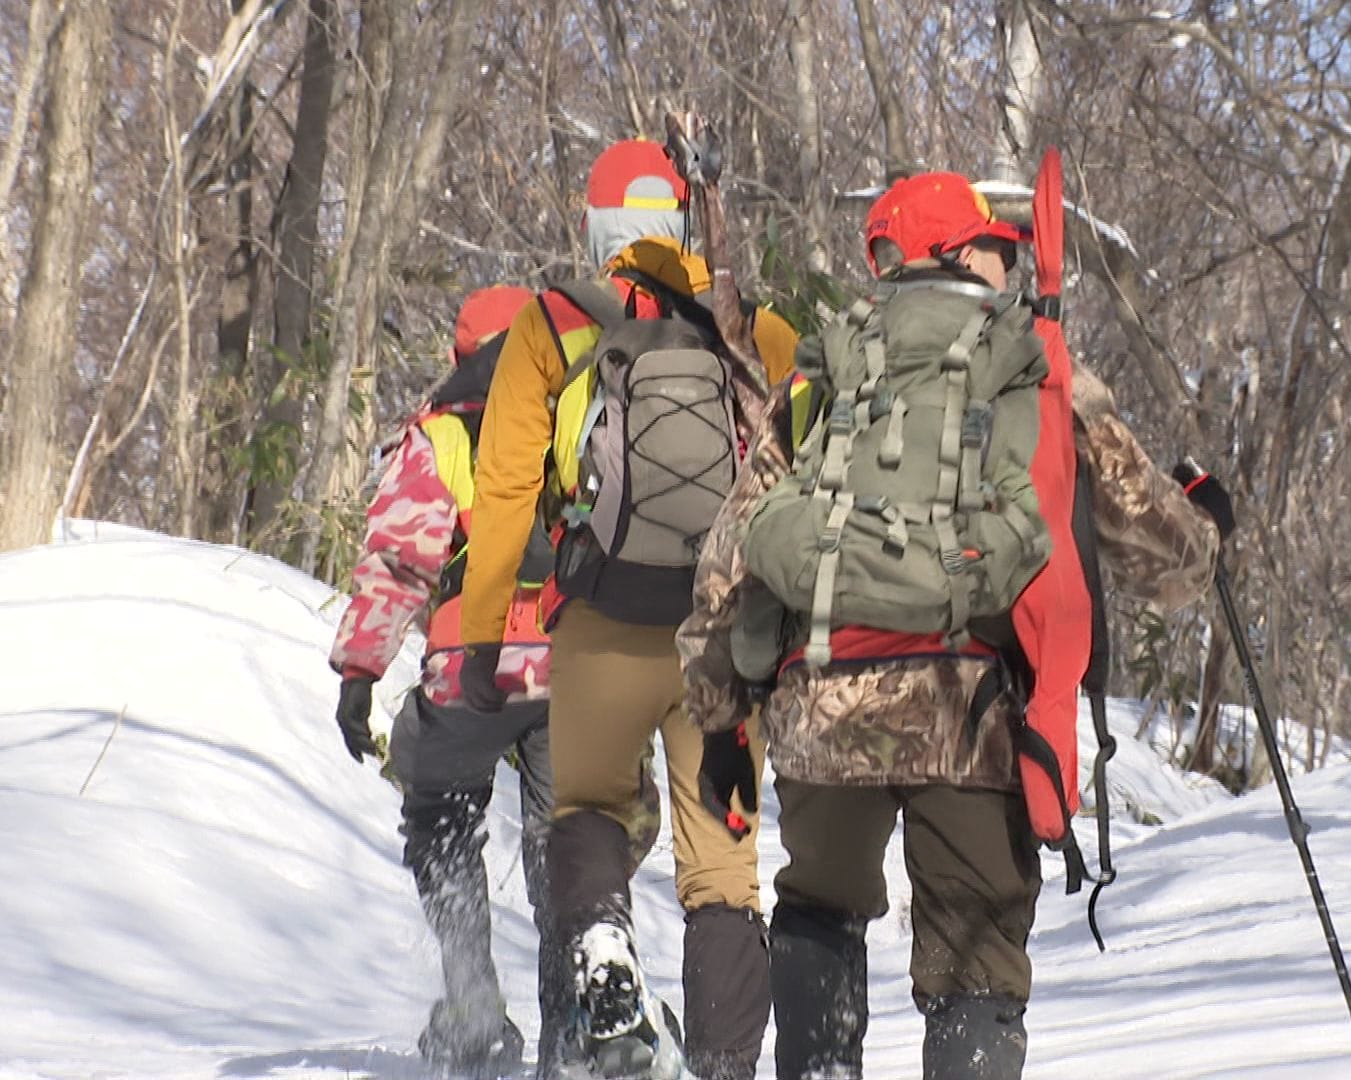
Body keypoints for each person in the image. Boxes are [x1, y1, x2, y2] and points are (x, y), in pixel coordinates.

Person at [678, 169, 1234, 1080]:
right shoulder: (1034, 360)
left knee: (819, 910)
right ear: (959, 252)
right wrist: (1210, 531)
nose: (1000, 259)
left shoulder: (828, 368)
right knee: (975, 961)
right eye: (987, 243)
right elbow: (1159, 555)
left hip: (823, 700)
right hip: (973, 709)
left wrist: (719, 723)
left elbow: (731, 559)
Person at [454, 139, 801, 1080]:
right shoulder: (753, 330)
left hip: (602, 613)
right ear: (685, 221)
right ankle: (727, 1064)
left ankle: (603, 940)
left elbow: (502, 498)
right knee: (723, 871)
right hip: (722, 635)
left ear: (594, 223)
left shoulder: (553, 324)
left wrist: (484, 638)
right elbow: (802, 467)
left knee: (589, 809)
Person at [330, 284, 563, 1078]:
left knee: (439, 812)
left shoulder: (441, 432)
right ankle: (578, 1018)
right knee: (571, 841)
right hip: (575, 664)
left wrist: (360, 672)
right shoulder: (579, 414)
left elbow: (399, 560)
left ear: (462, 353)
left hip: (471, 663)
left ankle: (472, 1006)